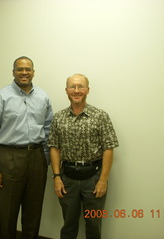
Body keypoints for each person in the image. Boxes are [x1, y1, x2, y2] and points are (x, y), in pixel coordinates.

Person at [0, 56, 53, 239]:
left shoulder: (43, 97)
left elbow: (48, 129)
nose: (24, 72)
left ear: (33, 72)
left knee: (33, 211)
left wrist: (46, 159)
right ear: (13, 72)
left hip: (37, 158)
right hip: (8, 157)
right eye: (20, 69)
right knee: (7, 212)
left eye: (28, 69)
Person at [48, 73, 119, 239]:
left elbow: (108, 149)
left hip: (93, 179)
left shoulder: (100, 116)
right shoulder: (58, 117)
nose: (76, 90)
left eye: (81, 86)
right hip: (67, 179)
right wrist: (57, 177)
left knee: (94, 225)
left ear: (87, 90)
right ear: (66, 90)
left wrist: (103, 180)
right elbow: (54, 148)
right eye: (72, 86)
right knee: (69, 225)